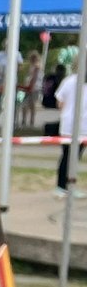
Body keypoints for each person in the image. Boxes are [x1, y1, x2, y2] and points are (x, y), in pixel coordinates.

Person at [57, 59, 82, 190]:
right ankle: (62, 185)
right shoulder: (70, 81)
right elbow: (60, 102)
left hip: (80, 126)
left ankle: (68, 185)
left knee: (73, 157)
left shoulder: (68, 81)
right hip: (71, 126)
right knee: (68, 157)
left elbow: (60, 102)